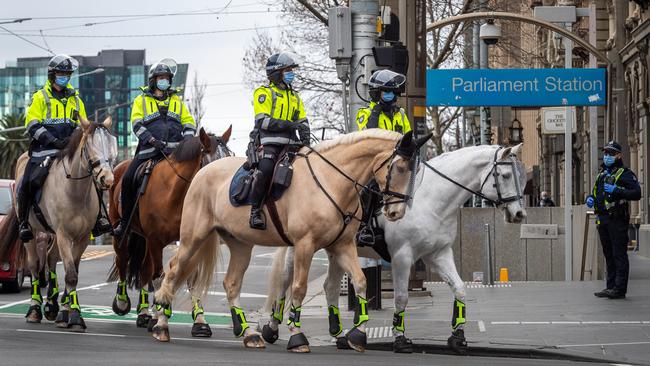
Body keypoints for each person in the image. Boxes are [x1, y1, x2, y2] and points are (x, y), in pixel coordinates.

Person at [18, 54, 111, 241]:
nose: (64, 76)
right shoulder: (40, 97)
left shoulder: (76, 99)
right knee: (28, 180)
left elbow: (83, 124)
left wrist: (74, 140)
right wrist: (53, 141)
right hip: (44, 149)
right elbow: (32, 124)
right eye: (60, 73)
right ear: (52, 74)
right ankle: (23, 223)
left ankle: (99, 217)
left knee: (94, 175)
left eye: (67, 74)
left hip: (70, 150)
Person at [113, 58, 196, 237]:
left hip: (175, 153)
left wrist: (188, 139)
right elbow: (136, 124)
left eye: (166, 78)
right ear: (153, 80)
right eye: (160, 78)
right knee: (127, 179)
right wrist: (151, 140)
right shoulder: (140, 100)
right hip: (148, 152)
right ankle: (125, 222)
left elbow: (189, 121)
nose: (164, 81)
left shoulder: (177, 101)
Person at [247, 52, 310, 230]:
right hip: (269, 143)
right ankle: (255, 210)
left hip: (292, 144)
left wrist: (306, 136)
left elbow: (303, 120)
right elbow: (262, 121)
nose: (291, 73)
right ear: (276, 73)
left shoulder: (295, 96)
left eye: (291, 70)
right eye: (287, 70)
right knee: (266, 169)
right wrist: (290, 125)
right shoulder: (264, 93)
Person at [355, 69, 410, 246]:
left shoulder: (400, 113)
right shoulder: (364, 112)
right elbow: (368, 135)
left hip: (397, 162)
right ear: (376, 93)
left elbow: (408, 136)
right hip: (375, 163)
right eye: (386, 91)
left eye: (393, 92)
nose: (390, 95)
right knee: (370, 187)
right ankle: (364, 228)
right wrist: (376, 112)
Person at [586, 141, 641, 299]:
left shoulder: (625, 173)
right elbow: (596, 193)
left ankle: (619, 289)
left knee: (619, 255)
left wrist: (617, 190)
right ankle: (610, 286)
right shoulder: (602, 174)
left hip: (617, 220)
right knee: (608, 255)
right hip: (602, 220)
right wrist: (590, 198)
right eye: (605, 153)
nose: (607, 156)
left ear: (618, 155)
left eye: (610, 153)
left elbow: (636, 193)